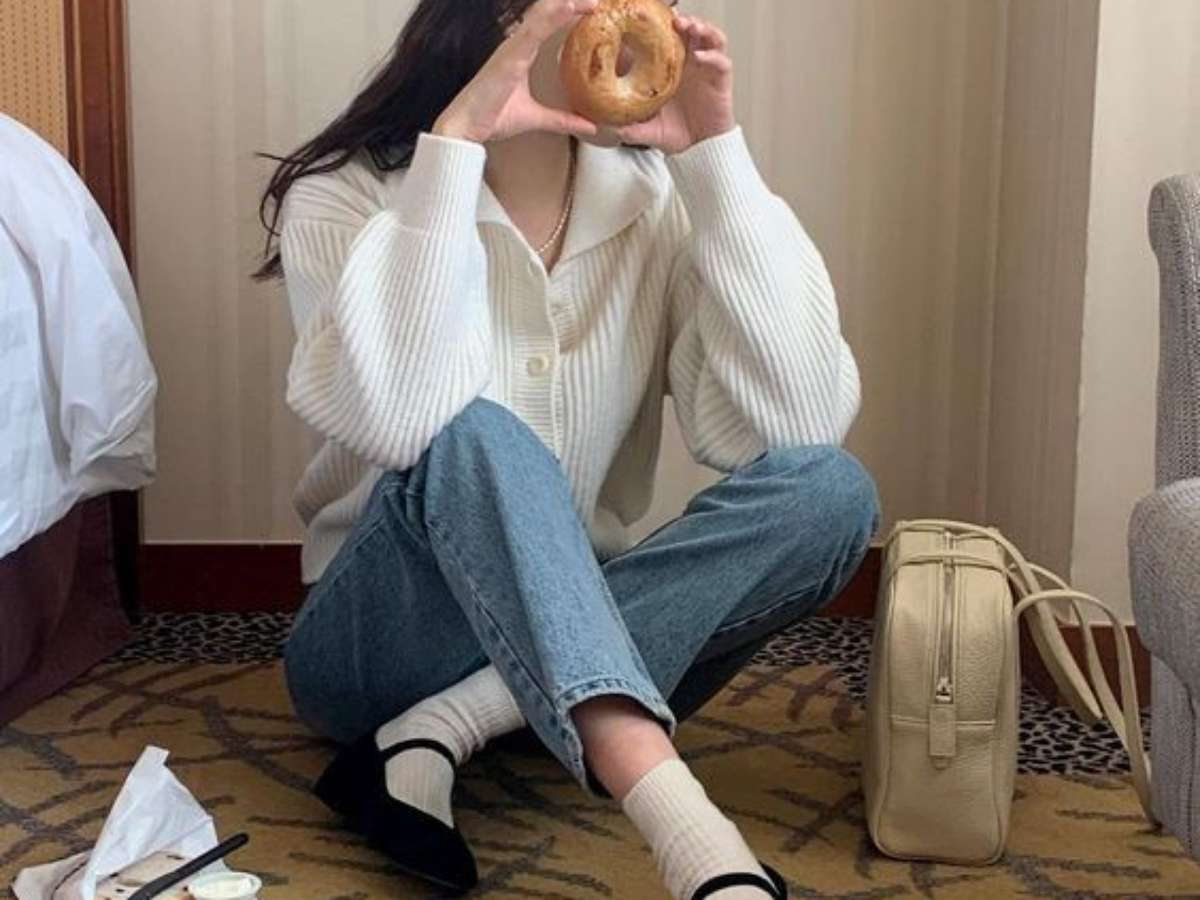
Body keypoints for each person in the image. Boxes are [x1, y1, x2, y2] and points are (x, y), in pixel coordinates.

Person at [257, 1, 879, 896]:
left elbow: (797, 423)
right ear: (503, 15)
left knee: (831, 491)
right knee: (473, 430)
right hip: (380, 650)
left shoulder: (653, 201)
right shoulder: (349, 194)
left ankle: (450, 726)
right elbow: (399, 421)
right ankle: (697, 842)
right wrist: (455, 149)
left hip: (587, 641)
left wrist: (716, 161)